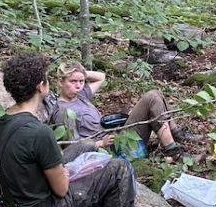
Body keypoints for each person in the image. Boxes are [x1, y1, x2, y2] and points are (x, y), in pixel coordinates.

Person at [0, 52, 134, 207]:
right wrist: (66, 172)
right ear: (42, 86)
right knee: (119, 168)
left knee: (85, 144)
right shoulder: (40, 132)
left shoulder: (3, 120)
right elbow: (61, 189)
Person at [50, 62, 196, 157]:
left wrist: (79, 72)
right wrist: (101, 143)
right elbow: (73, 148)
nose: (78, 86)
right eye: (72, 81)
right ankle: (173, 150)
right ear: (61, 82)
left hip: (117, 135)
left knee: (156, 93)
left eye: (81, 82)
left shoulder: (80, 95)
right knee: (151, 97)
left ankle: (177, 134)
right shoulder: (63, 111)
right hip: (111, 149)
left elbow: (101, 77)